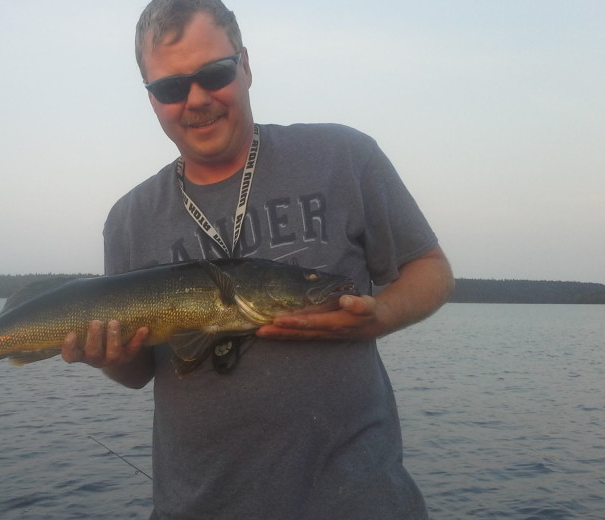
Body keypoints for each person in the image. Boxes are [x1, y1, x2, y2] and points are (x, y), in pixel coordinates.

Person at [61, 0, 455, 518]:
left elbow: (430, 268)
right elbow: (137, 372)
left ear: (245, 66)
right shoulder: (129, 218)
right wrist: (109, 358)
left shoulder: (342, 157)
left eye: (216, 73)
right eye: (171, 87)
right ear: (152, 98)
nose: (196, 99)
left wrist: (380, 315)